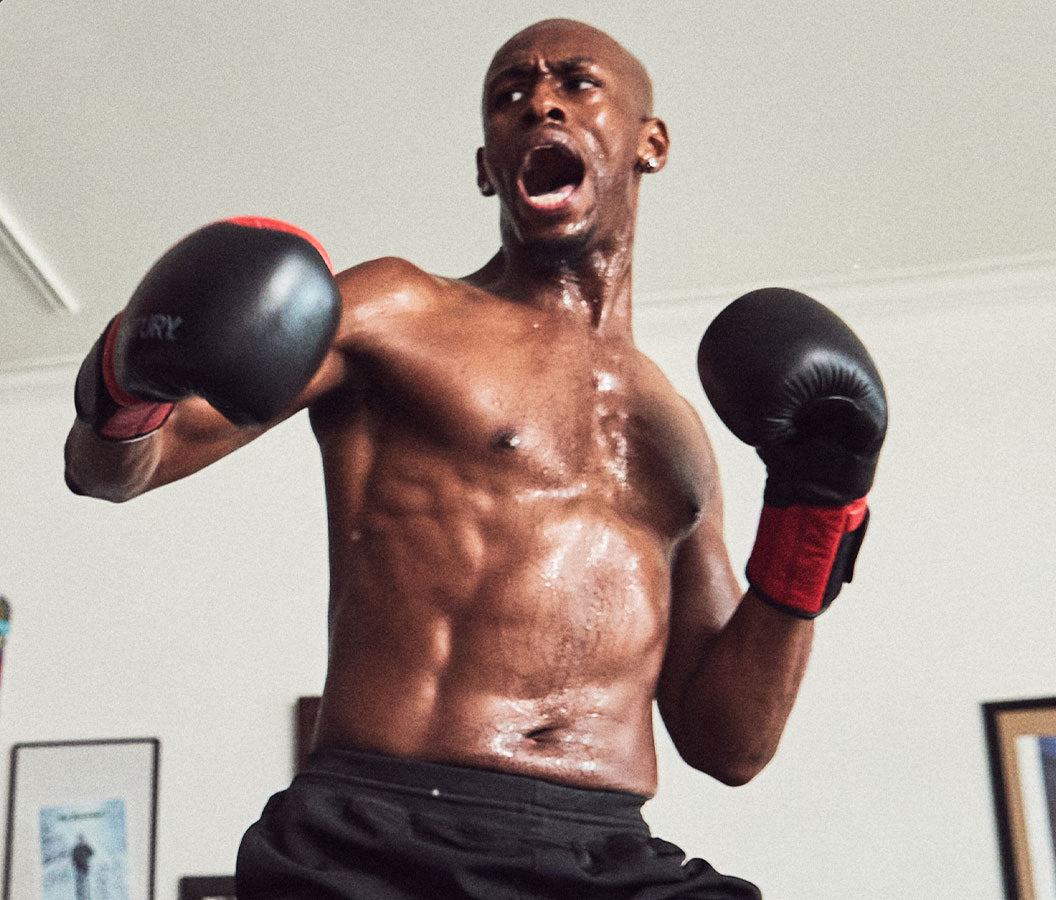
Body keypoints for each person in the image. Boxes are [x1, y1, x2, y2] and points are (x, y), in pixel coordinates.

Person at [64, 18, 886, 900]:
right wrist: (128, 370)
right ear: (487, 166)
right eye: (510, 94)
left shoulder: (679, 435)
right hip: (378, 836)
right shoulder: (399, 308)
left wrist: (816, 510)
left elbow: (731, 745)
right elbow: (116, 469)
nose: (540, 101)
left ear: (651, 142)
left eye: (577, 83)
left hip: (602, 853)